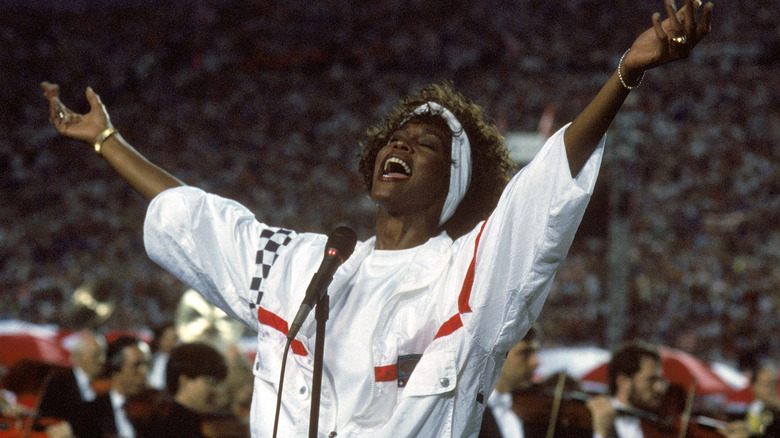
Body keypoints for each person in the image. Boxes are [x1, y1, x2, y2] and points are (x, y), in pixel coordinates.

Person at [41, 1, 713, 436]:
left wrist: (624, 75)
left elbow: (544, 193)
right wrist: (107, 142)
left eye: (427, 147)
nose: (402, 145)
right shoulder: (310, 263)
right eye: (396, 138)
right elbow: (196, 217)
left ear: (457, 186)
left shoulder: (470, 276)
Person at [586, 340, 748, 438]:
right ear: (623, 381)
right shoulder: (585, 421)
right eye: (651, 380)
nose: (660, 388)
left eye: (661, 380)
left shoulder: (660, 426)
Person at [139, 342, 245, 438]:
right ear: (184, 380)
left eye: (219, 384)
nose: (219, 391)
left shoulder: (213, 422)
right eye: (211, 383)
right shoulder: (162, 428)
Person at [36, 329, 107, 438]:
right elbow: (43, 418)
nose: (102, 360)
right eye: (96, 355)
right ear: (78, 357)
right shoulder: (59, 383)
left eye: (104, 353)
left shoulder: (105, 385)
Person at [479, 326, 540, 438]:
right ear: (496, 356)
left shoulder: (529, 410)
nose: (535, 362)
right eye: (524, 353)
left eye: (535, 352)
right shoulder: (472, 414)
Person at [84, 336, 151, 438]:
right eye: (136, 365)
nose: (144, 372)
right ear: (115, 368)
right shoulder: (90, 413)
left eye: (147, 365)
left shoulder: (154, 410)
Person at [745, 362, 779, 437]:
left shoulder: (777, 410)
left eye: (775, 383)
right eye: (767, 384)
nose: (772, 388)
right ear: (754, 386)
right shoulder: (750, 409)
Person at [146, 322, 179, 391]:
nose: (172, 344)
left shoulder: (178, 363)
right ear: (159, 340)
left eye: (174, 339)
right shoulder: (150, 358)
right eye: (168, 339)